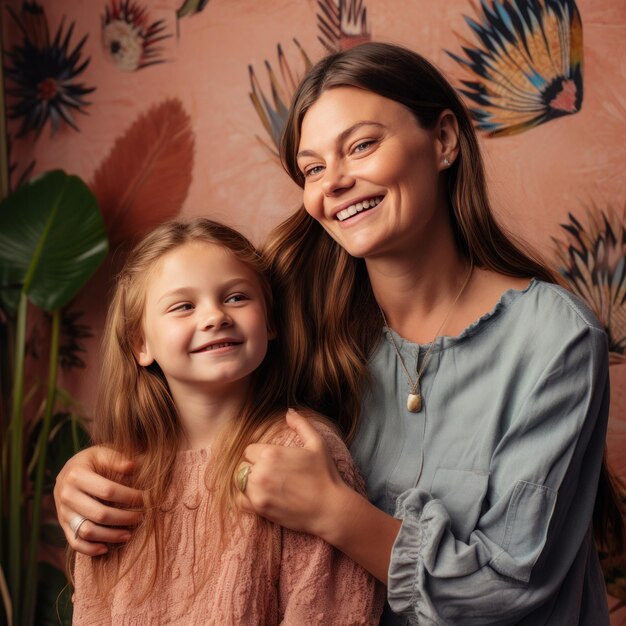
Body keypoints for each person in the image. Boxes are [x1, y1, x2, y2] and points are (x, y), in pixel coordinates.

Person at [56, 43, 622, 625]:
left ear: (445, 140)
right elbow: (193, 434)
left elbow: (507, 590)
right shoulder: (287, 314)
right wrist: (82, 480)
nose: (336, 182)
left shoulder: (557, 338)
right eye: (313, 167)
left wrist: (338, 514)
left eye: (361, 145)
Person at [68, 218, 383, 625]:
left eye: (236, 297)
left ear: (270, 323)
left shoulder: (300, 454)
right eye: (184, 305)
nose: (215, 316)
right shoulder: (114, 483)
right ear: (140, 344)